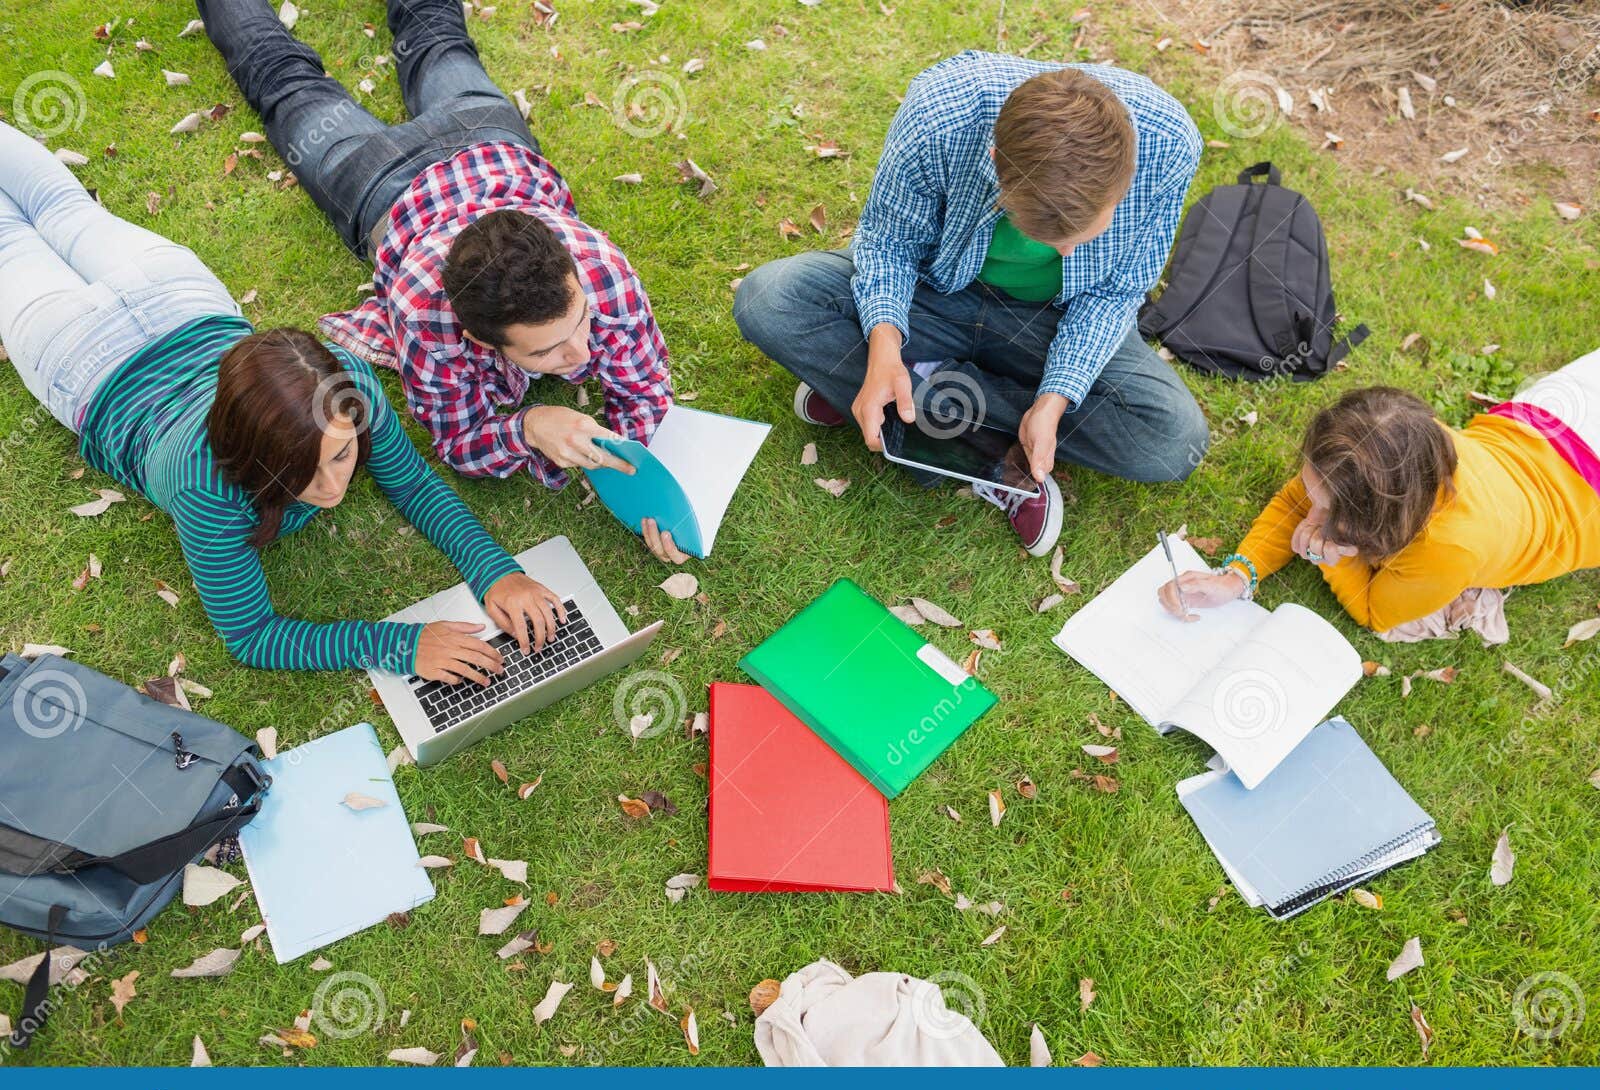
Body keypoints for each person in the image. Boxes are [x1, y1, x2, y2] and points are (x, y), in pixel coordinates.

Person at [0, 122, 565, 685]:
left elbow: (412, 483)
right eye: (297, 468)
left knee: (61, 204)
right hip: (76, 351)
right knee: (11, 234)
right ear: (248, 453)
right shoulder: (203, 483)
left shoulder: (350, 390)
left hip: (176, 295)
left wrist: (496, 572)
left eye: (341, 456)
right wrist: (400, 644)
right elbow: (252, 635)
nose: (331, 490)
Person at [196, 0, 688, 563]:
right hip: (379, 184)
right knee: (280, 78)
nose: (583, 353)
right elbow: (459, 442)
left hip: (489, 141)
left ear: (574, 276)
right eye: (549, 350)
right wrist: (528, 426)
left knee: (434, 33)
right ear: (480, 341)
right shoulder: (424, 318)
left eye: (581, 322)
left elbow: (645, 389)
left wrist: (642, 484)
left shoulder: (599, 269)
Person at [734, 51, 1210, 557]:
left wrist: (1055, 400)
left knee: (1172, 441)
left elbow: (1113, 294)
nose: (1071, 252)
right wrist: (883, 341)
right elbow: (890, 242)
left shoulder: (1169, 147)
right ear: (996, 170)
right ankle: (973, 439)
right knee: (770, 298)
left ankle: (904, 398)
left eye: (1087, 233)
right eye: (1049, 236)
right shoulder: (941, 113)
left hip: (1051, 320)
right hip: (936, 290)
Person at [1156, 367, 1600, 633]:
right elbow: (1296, 500)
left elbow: (1375, 612)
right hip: (1556, 415)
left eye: (1326, 511)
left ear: (1378, 521)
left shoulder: (1448, 551)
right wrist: (1237, 576)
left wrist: (1332, 557)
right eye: (1313, 488)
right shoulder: (1402, 442)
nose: (1308, 511)